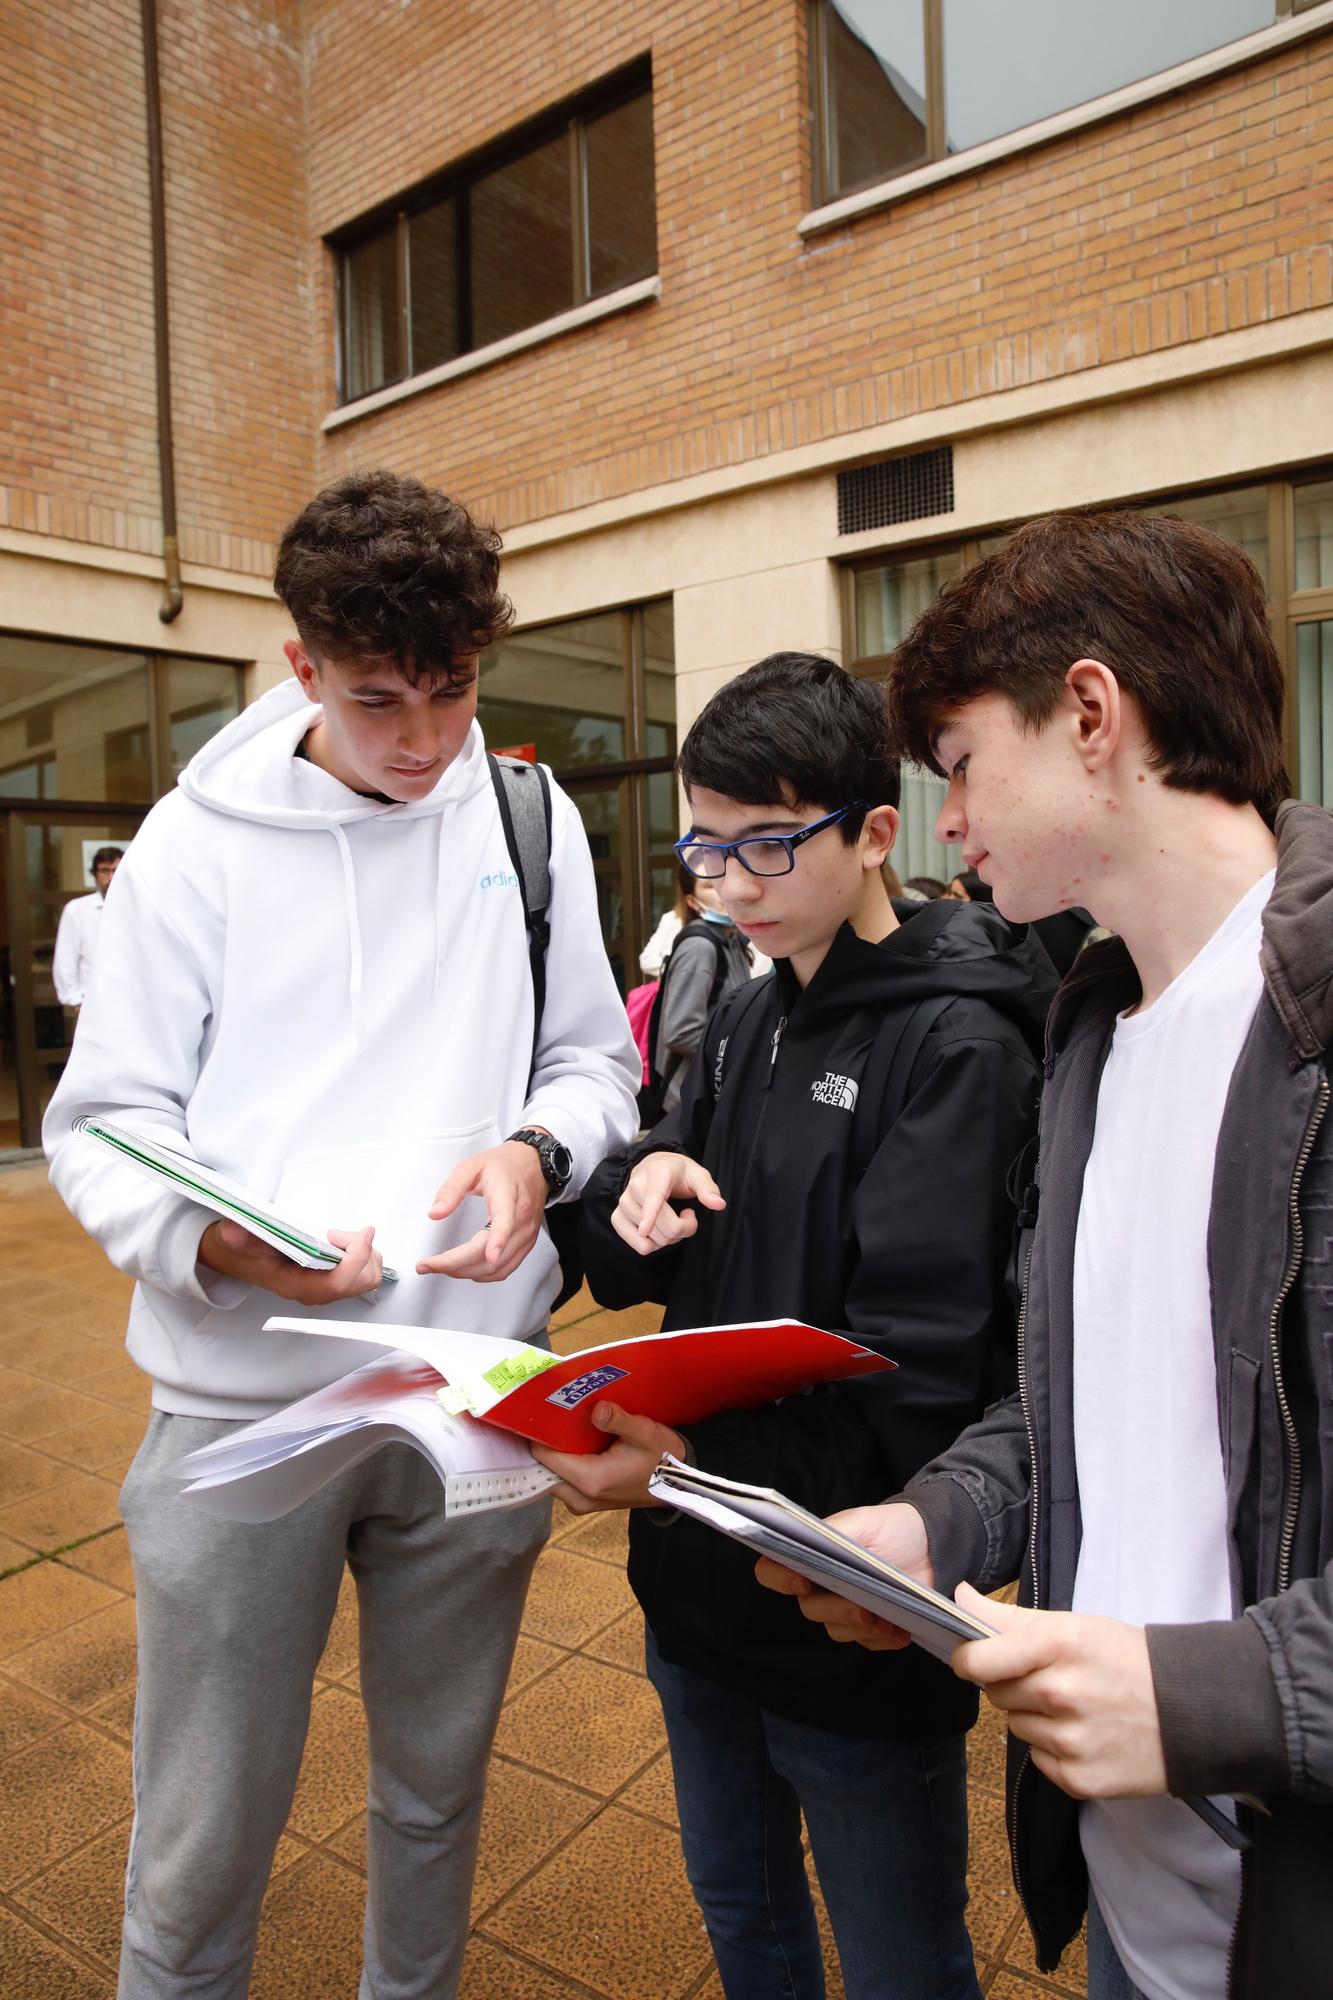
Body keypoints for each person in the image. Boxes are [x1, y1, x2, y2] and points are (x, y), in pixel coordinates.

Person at [43, 468, 639, 2000]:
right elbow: (106, 1122)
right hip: (248, 1406)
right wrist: (216, 1243)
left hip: (471, 1392)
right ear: (300, 665)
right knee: (201, 1834)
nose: (428, 740)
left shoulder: (524, 811)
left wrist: (535, 1150)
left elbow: (593, 1058)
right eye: (383, 699)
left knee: (436, 1801)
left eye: (453, 690)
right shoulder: (192, 846)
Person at [759, 509, 1333, 2000]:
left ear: (1090, 714)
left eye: (957, 765)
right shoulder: (1087, 1031)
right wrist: (937, 1523)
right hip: (1138, 1905)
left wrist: (1205, 1697)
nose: (949, 821)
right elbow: (1084, 1396)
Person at [535, 651, 1055, 1999]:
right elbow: (646, 1252)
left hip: (845, 1607)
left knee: (900, 1959)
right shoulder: (748, 1016)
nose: (729, 887)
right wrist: (634, 1178)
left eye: (767, 845)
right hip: (692, 1590)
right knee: (743, 1918)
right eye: (706, 850)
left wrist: (681, 1479)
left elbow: (924, 1382)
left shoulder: (958, 1040)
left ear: (877, 831)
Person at [650, 866, 753, 1116]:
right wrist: (744, 1049)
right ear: (692, 902)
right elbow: (680, 1032)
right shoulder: (700, 947)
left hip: (719, 1093)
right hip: (693, 1102)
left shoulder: (733, 940)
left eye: (724, 879)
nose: (722, 890)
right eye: (709, 886)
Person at [52, 844, 124, 1006]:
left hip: (129, 1001)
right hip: (91, 1002)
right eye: (105, 871)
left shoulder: (136, 908)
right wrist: (76, 1001)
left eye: (116, 870)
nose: (111, 877)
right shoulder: (77, 910)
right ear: (95, 874)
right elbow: (65, 958)